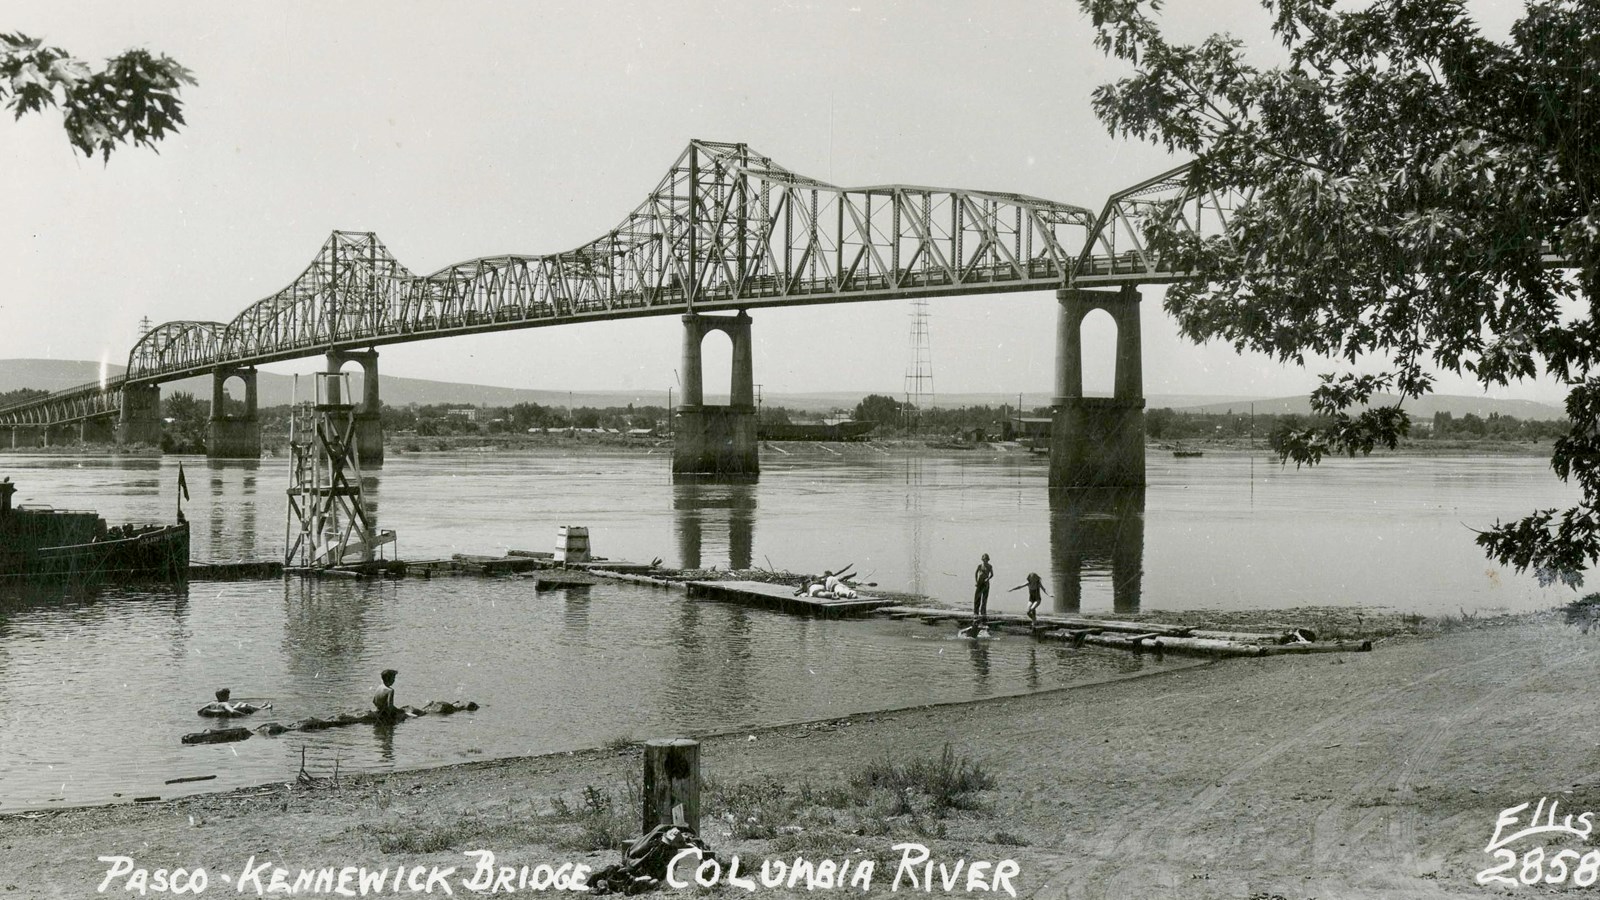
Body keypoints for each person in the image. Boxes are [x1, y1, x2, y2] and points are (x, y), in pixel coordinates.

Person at [197, 687, 269, 718]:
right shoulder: (224, 704)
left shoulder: (212, 703)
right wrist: (245, 716)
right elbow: (232, 711)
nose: (228, 697)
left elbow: (199, 711)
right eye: (227, 696)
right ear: (224, 697)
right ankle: (262, 708)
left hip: (220, 711)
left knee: (240, 703)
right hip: (227, 713)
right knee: (244, 704)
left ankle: (261, 707)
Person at [972, 553, 994, 627]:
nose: (985, 561)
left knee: (984, 598)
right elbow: (976, 573)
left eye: (986, 560)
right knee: (977, 597)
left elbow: (992, 574)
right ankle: (976, 612)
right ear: (982, 559)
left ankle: (983, 612)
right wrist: (976, 582)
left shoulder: (990, 566)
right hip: (979, 582)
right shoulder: (980, 566)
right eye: (984, 559)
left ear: (988, 560)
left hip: (986, 583)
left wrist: (988, 578)